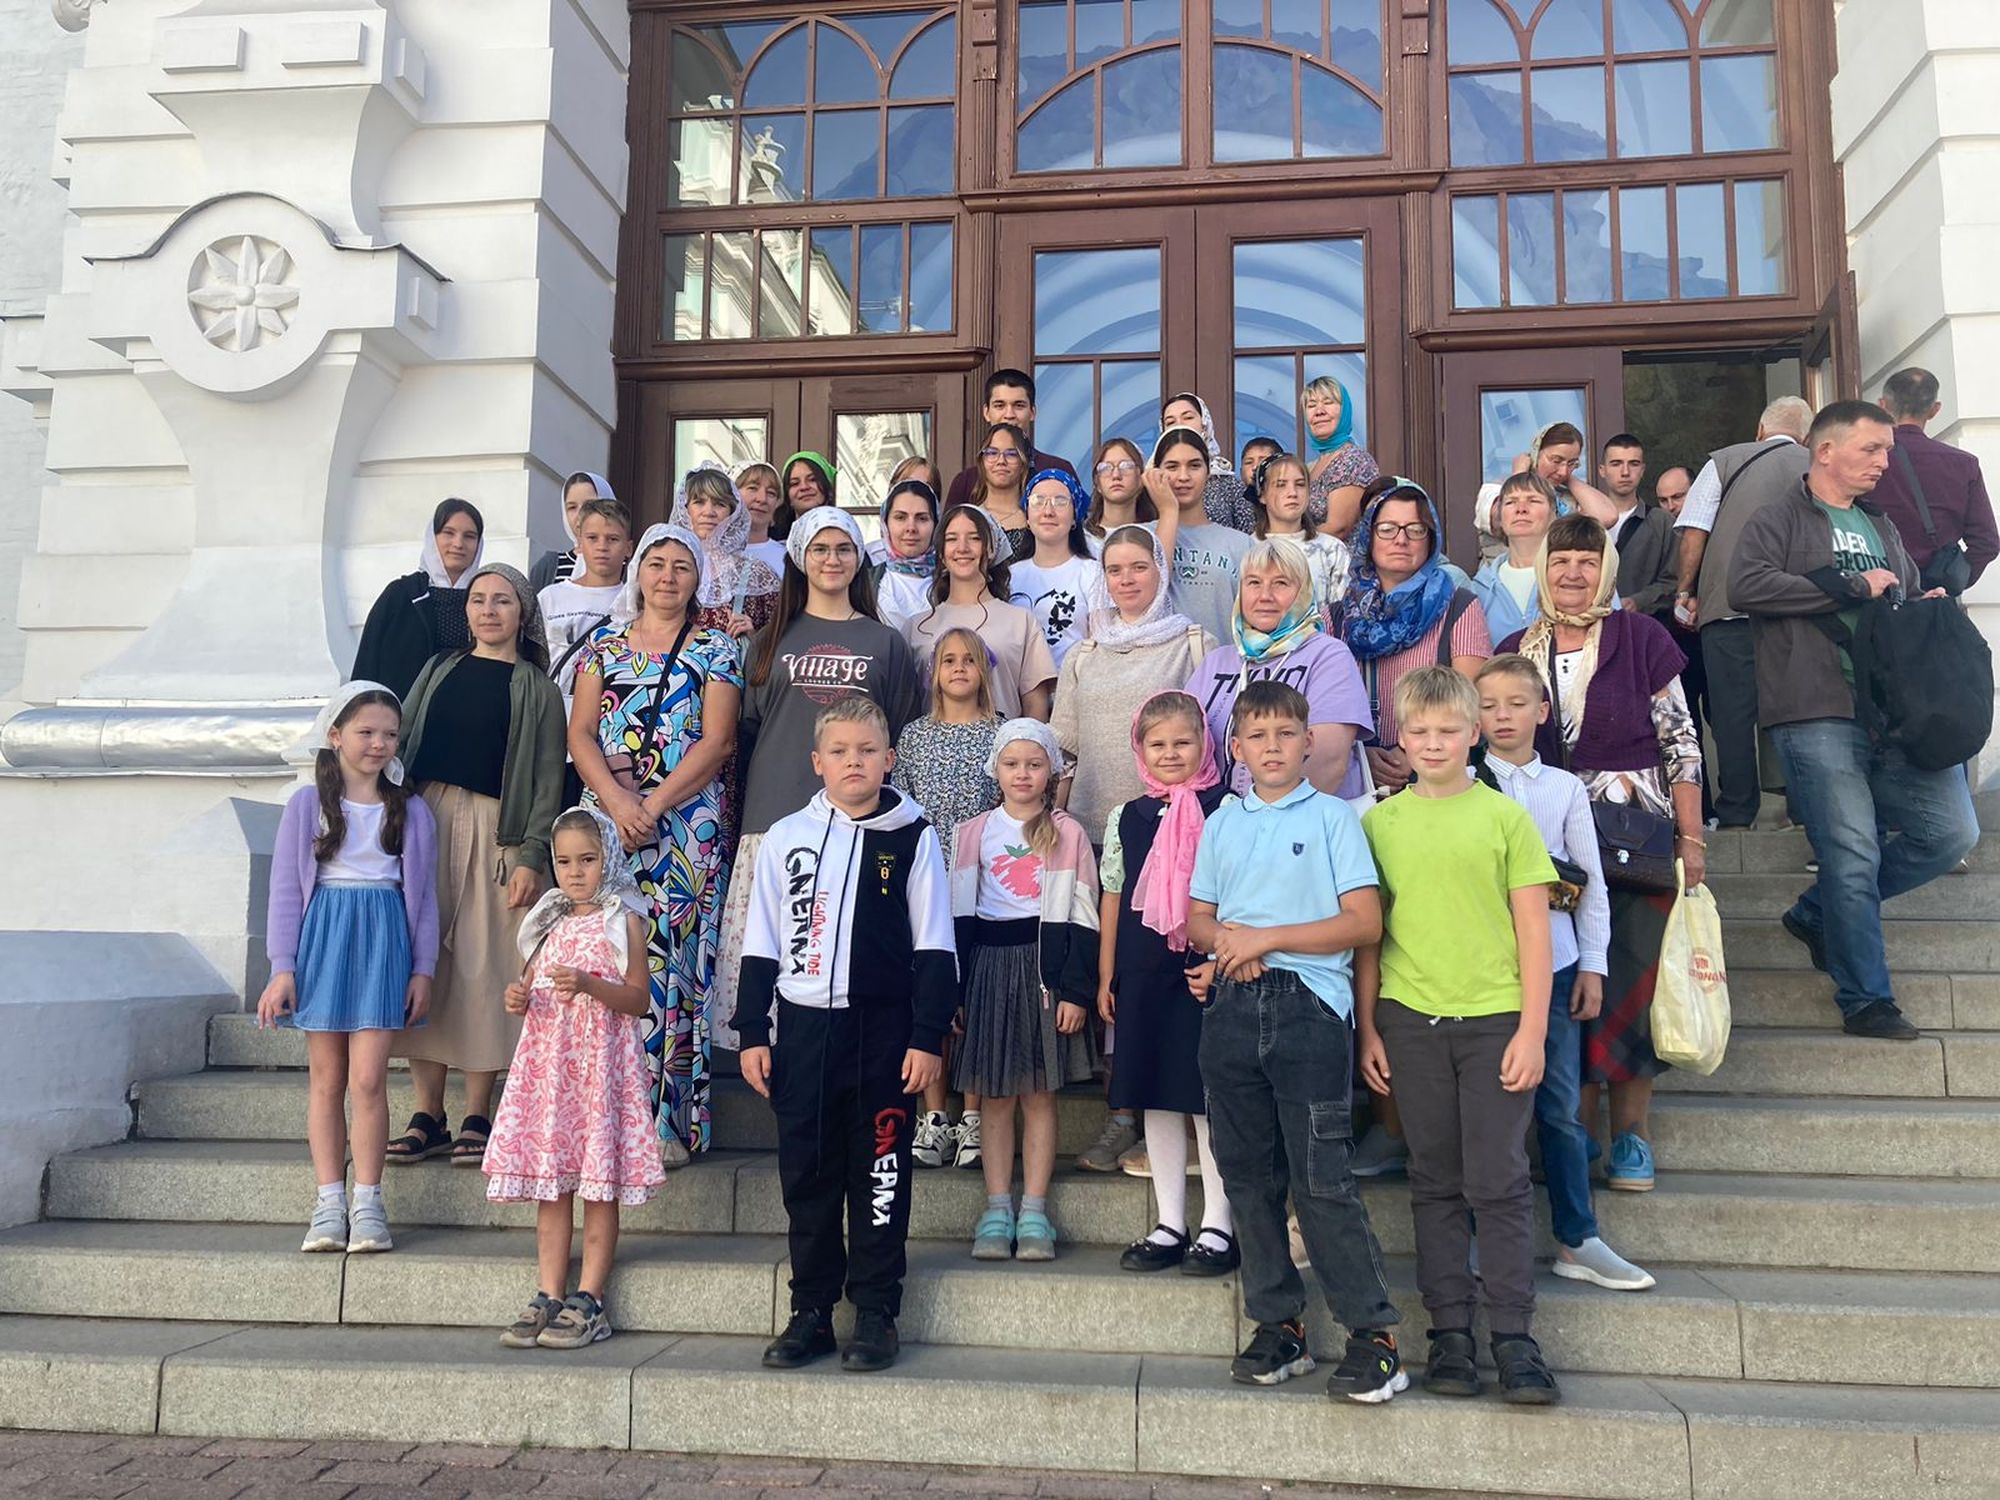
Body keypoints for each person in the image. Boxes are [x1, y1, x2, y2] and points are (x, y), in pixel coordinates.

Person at [1731, 400, 1980, 1040]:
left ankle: (1818, 913)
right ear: (1825, 450)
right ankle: (1867, 998)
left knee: (1952, 833)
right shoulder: (1777, 518)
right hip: (1813, 707)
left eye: (1886, 450)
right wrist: (1844, 586)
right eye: (1871, 449)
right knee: (1852, 851)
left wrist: (1920, 600)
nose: (1884, 462)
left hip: (1891, 714)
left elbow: (1897, 593)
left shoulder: (1881, 523)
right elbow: (1746, 586)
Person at [1187, 679, 1404, 1402]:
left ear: (1309, 742)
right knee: (1246, 1175)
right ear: (1237, 748)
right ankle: (1280, 1324)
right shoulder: (1223, 821)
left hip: (1309, 1008)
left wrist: (1267, 940)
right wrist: (1228, 946)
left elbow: (1363, 922)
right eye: (1257, 736)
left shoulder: (1336, 817)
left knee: (1320, 1177)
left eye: (1286, 734)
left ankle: (1374, 1336)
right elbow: (1197, 918)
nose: (1272, 747)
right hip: (1231, 1005)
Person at [1356, 666, 1559, 1404]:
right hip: (1411, 1020)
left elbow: (1535, 932)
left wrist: (1533, 1030)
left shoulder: (1505, 818)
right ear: (1401, 739)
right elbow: (1370, 939)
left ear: (1475, 733)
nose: (1434, 743)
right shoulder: (1379, 825)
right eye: (1420, 731)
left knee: (1498, 1181)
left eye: (1449, 730)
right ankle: (1449, 1334)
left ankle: (1514, 1337)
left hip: (1496, 1019)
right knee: (1434, 1180)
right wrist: (1368, 1028)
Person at [736, 697, 956, 1374]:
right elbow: (761, 939)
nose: (853, 762)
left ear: (889, 759)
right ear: (817, 762)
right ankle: (811, 1310)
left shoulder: (913, 835)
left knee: (880, 1172)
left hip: (884, 1034)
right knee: (807, 1174)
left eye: (866, 750)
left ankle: (876, 1311)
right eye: (839, 752)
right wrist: (753, 1030)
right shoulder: (786, 838)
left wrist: (927, 1036)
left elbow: (935, 943)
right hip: (804, 1032)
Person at [1500, 514, 1706, 1193]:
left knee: (1629, 989)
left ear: (1607, 570)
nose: (1573, 573)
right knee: (1567, 985)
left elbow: (1680, 741)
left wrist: (1692, 837)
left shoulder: (1641, 638)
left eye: (1588, 561)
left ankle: (1632, 1136)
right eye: (1561, 560)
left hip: (1635, 844)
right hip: (1547, 852)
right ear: (1543, 568)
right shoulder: (1516, 648)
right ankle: (1575, 1133)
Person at [709, 508, 924, 1053]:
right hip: (775, 816)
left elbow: (898, 729)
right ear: (800, 559)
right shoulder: (768, 640)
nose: (832, 559)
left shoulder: (887, 642)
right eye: (820, 549)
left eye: (844, 548)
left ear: (859, 559)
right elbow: (749, 728)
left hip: (858, 824)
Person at [1474, 656, 1654, 1293]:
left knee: (1560, 1109)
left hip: (1554, 963)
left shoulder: (1564, 788)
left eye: (1517, 704)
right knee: (1484, 1112)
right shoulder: (1462, 783)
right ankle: (1484, 1237)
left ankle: (1578, 1237)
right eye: (1488, 705)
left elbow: (1591, 882)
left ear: (1543, 711)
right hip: (1480, 971)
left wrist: (1594, 966)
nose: (1502, 716)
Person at [568, 524, 742, 1165]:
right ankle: (603, 1119)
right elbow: (580, 734)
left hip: (685, 824)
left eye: (681, 567)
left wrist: (654, 803)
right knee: (610, 956)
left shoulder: (717, 648)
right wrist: (619, 805)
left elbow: (718, 741)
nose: (667, 576)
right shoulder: (602, 647)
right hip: (609, 824)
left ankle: (667, 1122)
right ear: (638, 572)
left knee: (675, 962)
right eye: (657, 564)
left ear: (698, 580)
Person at [386, 563, 565, 1168]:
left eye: (502, 600)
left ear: (523, 612)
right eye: (479, 600)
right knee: (426, 960)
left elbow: (547, 779)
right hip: (427, 823)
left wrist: (532, 855)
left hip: (499, 833)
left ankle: (478, 1111)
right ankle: (427, 1112)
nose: (489, 610)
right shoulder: (439, 668)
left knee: (486, 966)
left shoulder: (537, 688)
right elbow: (401, 742)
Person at [259, 683, 437, 1256]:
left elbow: (424, 897)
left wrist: (423, 968)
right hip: (324, 940)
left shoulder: (410, 809)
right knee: (326, 1079)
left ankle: (368, 1200)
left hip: (384, 941)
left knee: (368, 1080)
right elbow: (285, 890)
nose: (378, 744)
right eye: (366, 732)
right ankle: (328, 1201)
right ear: (335, 736)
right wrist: (282, 967)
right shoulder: (306, 805)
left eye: (389, 734)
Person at [485, 806, 660, 1349]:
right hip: (553, 1073)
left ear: (609, 858)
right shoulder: (547, 920)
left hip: (599, 1071)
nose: (575, 872)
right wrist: (518, 998)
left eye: (588, 859)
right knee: (554, 1184)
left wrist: (589, 984)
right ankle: (549, 1291)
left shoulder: (623, 919)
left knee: (598, 1186)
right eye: (564, 862)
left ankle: (590, 1297)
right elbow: (531, 985)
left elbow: (638, 999)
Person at [953, 719, 1100, 1263]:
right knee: (995, 1096)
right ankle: (997, 1208)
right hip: (988, 970)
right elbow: (956, 917)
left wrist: (1075, 991)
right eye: (1012, 764)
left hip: (1044, 974)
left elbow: (1084, 915)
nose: (1022, 773)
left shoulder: (1068, 833)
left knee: (1038, 1096)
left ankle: (1034, 1209)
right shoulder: (972, 832)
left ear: (1051, 771)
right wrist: (955, 993)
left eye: (1034, 764)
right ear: (995, 769)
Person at [1100, 692, 1236, 1275]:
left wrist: (1224, 957)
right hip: (1143, 969)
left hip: (1206, 970)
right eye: (1157, 744)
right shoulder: (1126, 816)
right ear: (1140, 749)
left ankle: (1219, 1225)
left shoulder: (1227, 808)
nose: (1171, 753)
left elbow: (1240, 891)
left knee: (1207, 1097)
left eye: (1183, 741)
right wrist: (1107, 974)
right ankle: (1170, 1222)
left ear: (1205, 743)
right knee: (1155, 1091)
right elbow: (1112, 893)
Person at [1672, 395, 1813, 827]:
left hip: (1730, 608)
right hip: (1799, 613)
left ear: (1760, 429)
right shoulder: (1818, 463)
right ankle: (1803, 809)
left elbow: (1695, 531)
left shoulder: (1724, 462)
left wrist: (1686, 590)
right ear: (1806, 435)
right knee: (1796, 710)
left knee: (1732, 715)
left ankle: (1737, 813)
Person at [894, 627, 1004, 1173]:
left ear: (984, 671)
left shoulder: (1002, 733)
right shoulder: (914, 737)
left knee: (975, 993)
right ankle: (934, 1114)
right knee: (931, 991)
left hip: (986, 882)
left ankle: (974, 1113)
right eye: (949, 660)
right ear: (933, 672)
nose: (959, 669)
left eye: (970, 660)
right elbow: (900, 806)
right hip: (928, 880)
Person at [1340, 481, 1493, 796]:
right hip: (1352, 777)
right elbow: (1323, 707)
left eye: (1415, 530)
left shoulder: (1459, 607)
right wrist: (1360, 755)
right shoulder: (1339, 616)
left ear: (1431, 539)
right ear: (1368, 536)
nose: (1401, 539)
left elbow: (1466, 700)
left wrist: (1407, 751)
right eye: (1387, 529)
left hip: (1433, 778)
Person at [1188, 539, 1370, 801]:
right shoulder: (1216, 661)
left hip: (1301, 819)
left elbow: (1328, 761)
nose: (1265, 596)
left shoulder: (1328, 656)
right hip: (1220, 819)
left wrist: (1264, 817)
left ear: (1303, 592)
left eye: (1281, 583)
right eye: (1254, 583)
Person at [906, 505, 1058, 720]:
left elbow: (1035, 705)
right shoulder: (916, 627)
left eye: (975, 538)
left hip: (1006, 740)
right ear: (941, 553)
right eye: (952, 539)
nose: (962, 548)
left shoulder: (1022, 622)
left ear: (992, 548)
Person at [1867, 366, 1998, 593]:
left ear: (1882, 406)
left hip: (1879, 588)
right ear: (1935, 410)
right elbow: (1986, 542)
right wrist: (1953, 579)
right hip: (1936, 592)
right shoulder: (1964, 463)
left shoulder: (1866, 460)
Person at [540, 495, 634, 806]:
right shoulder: (550, 598)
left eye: (613, 539)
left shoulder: (635, 602)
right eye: (592, 538)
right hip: (553, 727)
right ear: (579, 543)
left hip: (608, 733)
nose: (602, 546)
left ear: (629, 547)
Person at [352, 499, 486, 700]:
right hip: (401, 714)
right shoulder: (401, 595)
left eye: (469, 536)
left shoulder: (485, 601)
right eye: (448, 533)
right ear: (432, 537)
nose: (458, 544)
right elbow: (368, 661)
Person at [1157, 426, 1253, 645]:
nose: (1183, 476)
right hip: (1161, 663)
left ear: (1208, 471)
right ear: (1156, 473)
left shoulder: (1242, 544)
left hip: (1224, 663)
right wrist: (1168, 511)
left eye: (1194, 466)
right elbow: (1155, 587)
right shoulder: (1141, 537)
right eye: (1172, 466)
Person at [669, 462, 783, 642]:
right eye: (699, 502)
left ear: (732, 512)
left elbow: (781, 640)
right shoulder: (665, 568)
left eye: (719, 504)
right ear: (685, 509)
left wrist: (754, 636)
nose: (709, 512)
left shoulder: (757, 574)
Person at [1010, 469, 1109, 668]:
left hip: (1074, 682)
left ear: (1074, 517)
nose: (1048, 511)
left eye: (1060, 501)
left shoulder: (1093, 573)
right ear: (1027, 516)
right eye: (1038, 501)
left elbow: (1101, 646)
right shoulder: (1010, 576)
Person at [945, 369, 1077, 508]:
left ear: (1032, 412)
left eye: (1019, 406)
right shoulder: (966, 481)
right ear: (986, 412)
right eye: (999, 405)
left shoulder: (1058, 469)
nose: (1009, 415)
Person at [1247, 451, 1351, 615]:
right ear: (1262, 495)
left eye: (1300, 484)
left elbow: (1342, 614)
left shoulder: (1332, 550)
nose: (1292, 493)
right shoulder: (1246, 548)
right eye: (1281, 485)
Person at [1469, 474, 1563, 644]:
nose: (1521, 509)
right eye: (1511, 502)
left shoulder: (1576, 575)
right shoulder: (1478, 589)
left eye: (1533, 500)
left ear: (1554, 513)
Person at [1598, 434, 1678, 617]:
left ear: (1642, 470)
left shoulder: (1662, 522)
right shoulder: (1585, 521)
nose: (1625, 472)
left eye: (1633, 464)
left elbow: (1673, 581)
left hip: (1644, 625)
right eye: (1616, 464)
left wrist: (1638, 601)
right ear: (1602, 470)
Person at [1301, 375, 1380, 539]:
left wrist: (1288, 543)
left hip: (1341, 554)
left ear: (1345, 411)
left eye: (1328, 402)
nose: (1319, 411)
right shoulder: (1310, 466)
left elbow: (1339, 527)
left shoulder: (1353, 459)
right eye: (1311, 405)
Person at [1161, 392, 1249, 530]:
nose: (1180, 425)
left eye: (1188, 418)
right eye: (1170, 422)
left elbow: (1248, 535)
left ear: (1204, 423)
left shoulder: (1230, 485)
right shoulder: (1154, 482)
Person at [1514, 422, 1616, 527]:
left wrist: (1569, 479)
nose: (1563, 472)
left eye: (1572, 463)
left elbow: (1607, 518)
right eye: (1556, 461)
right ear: (1536, 454)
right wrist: (1519, 476)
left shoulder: (1570, 499)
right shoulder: (1507, 491)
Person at [873, 476, 940, 633]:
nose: (911, 528)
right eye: (900, 517)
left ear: (936, 525)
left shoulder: (952, 582)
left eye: (922, 518)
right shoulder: (865, 583)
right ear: (885, 523)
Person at [530, 472, 616, 593]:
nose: (580, 514)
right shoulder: (548, 567)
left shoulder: (626, 567)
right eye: (572, 507)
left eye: (589, 505)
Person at [966, 422, 1036, 562]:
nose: (1001, 461)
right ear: (982, 461)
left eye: (1011, 454)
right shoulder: (968, 517)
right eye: (992, 453)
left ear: (1023, 464)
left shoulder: (1037, 517)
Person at [1084, 437, 1155, 543]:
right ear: (1097, 483)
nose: (1116, 475)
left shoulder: (1155, 533)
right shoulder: (1083, 540)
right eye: (1105, 467)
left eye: (1126, 466)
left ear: (1141, 479)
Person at [771, 451, 838, 544]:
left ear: (828, 488)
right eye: (795, 483)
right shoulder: (773, 541)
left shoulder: (846, 534)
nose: (804, 487)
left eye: (812, 479)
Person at [736, 460, 788, 569]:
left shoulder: (787, 559)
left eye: (771, 493)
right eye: (753, 488)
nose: (762, 499)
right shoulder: (710, 554)